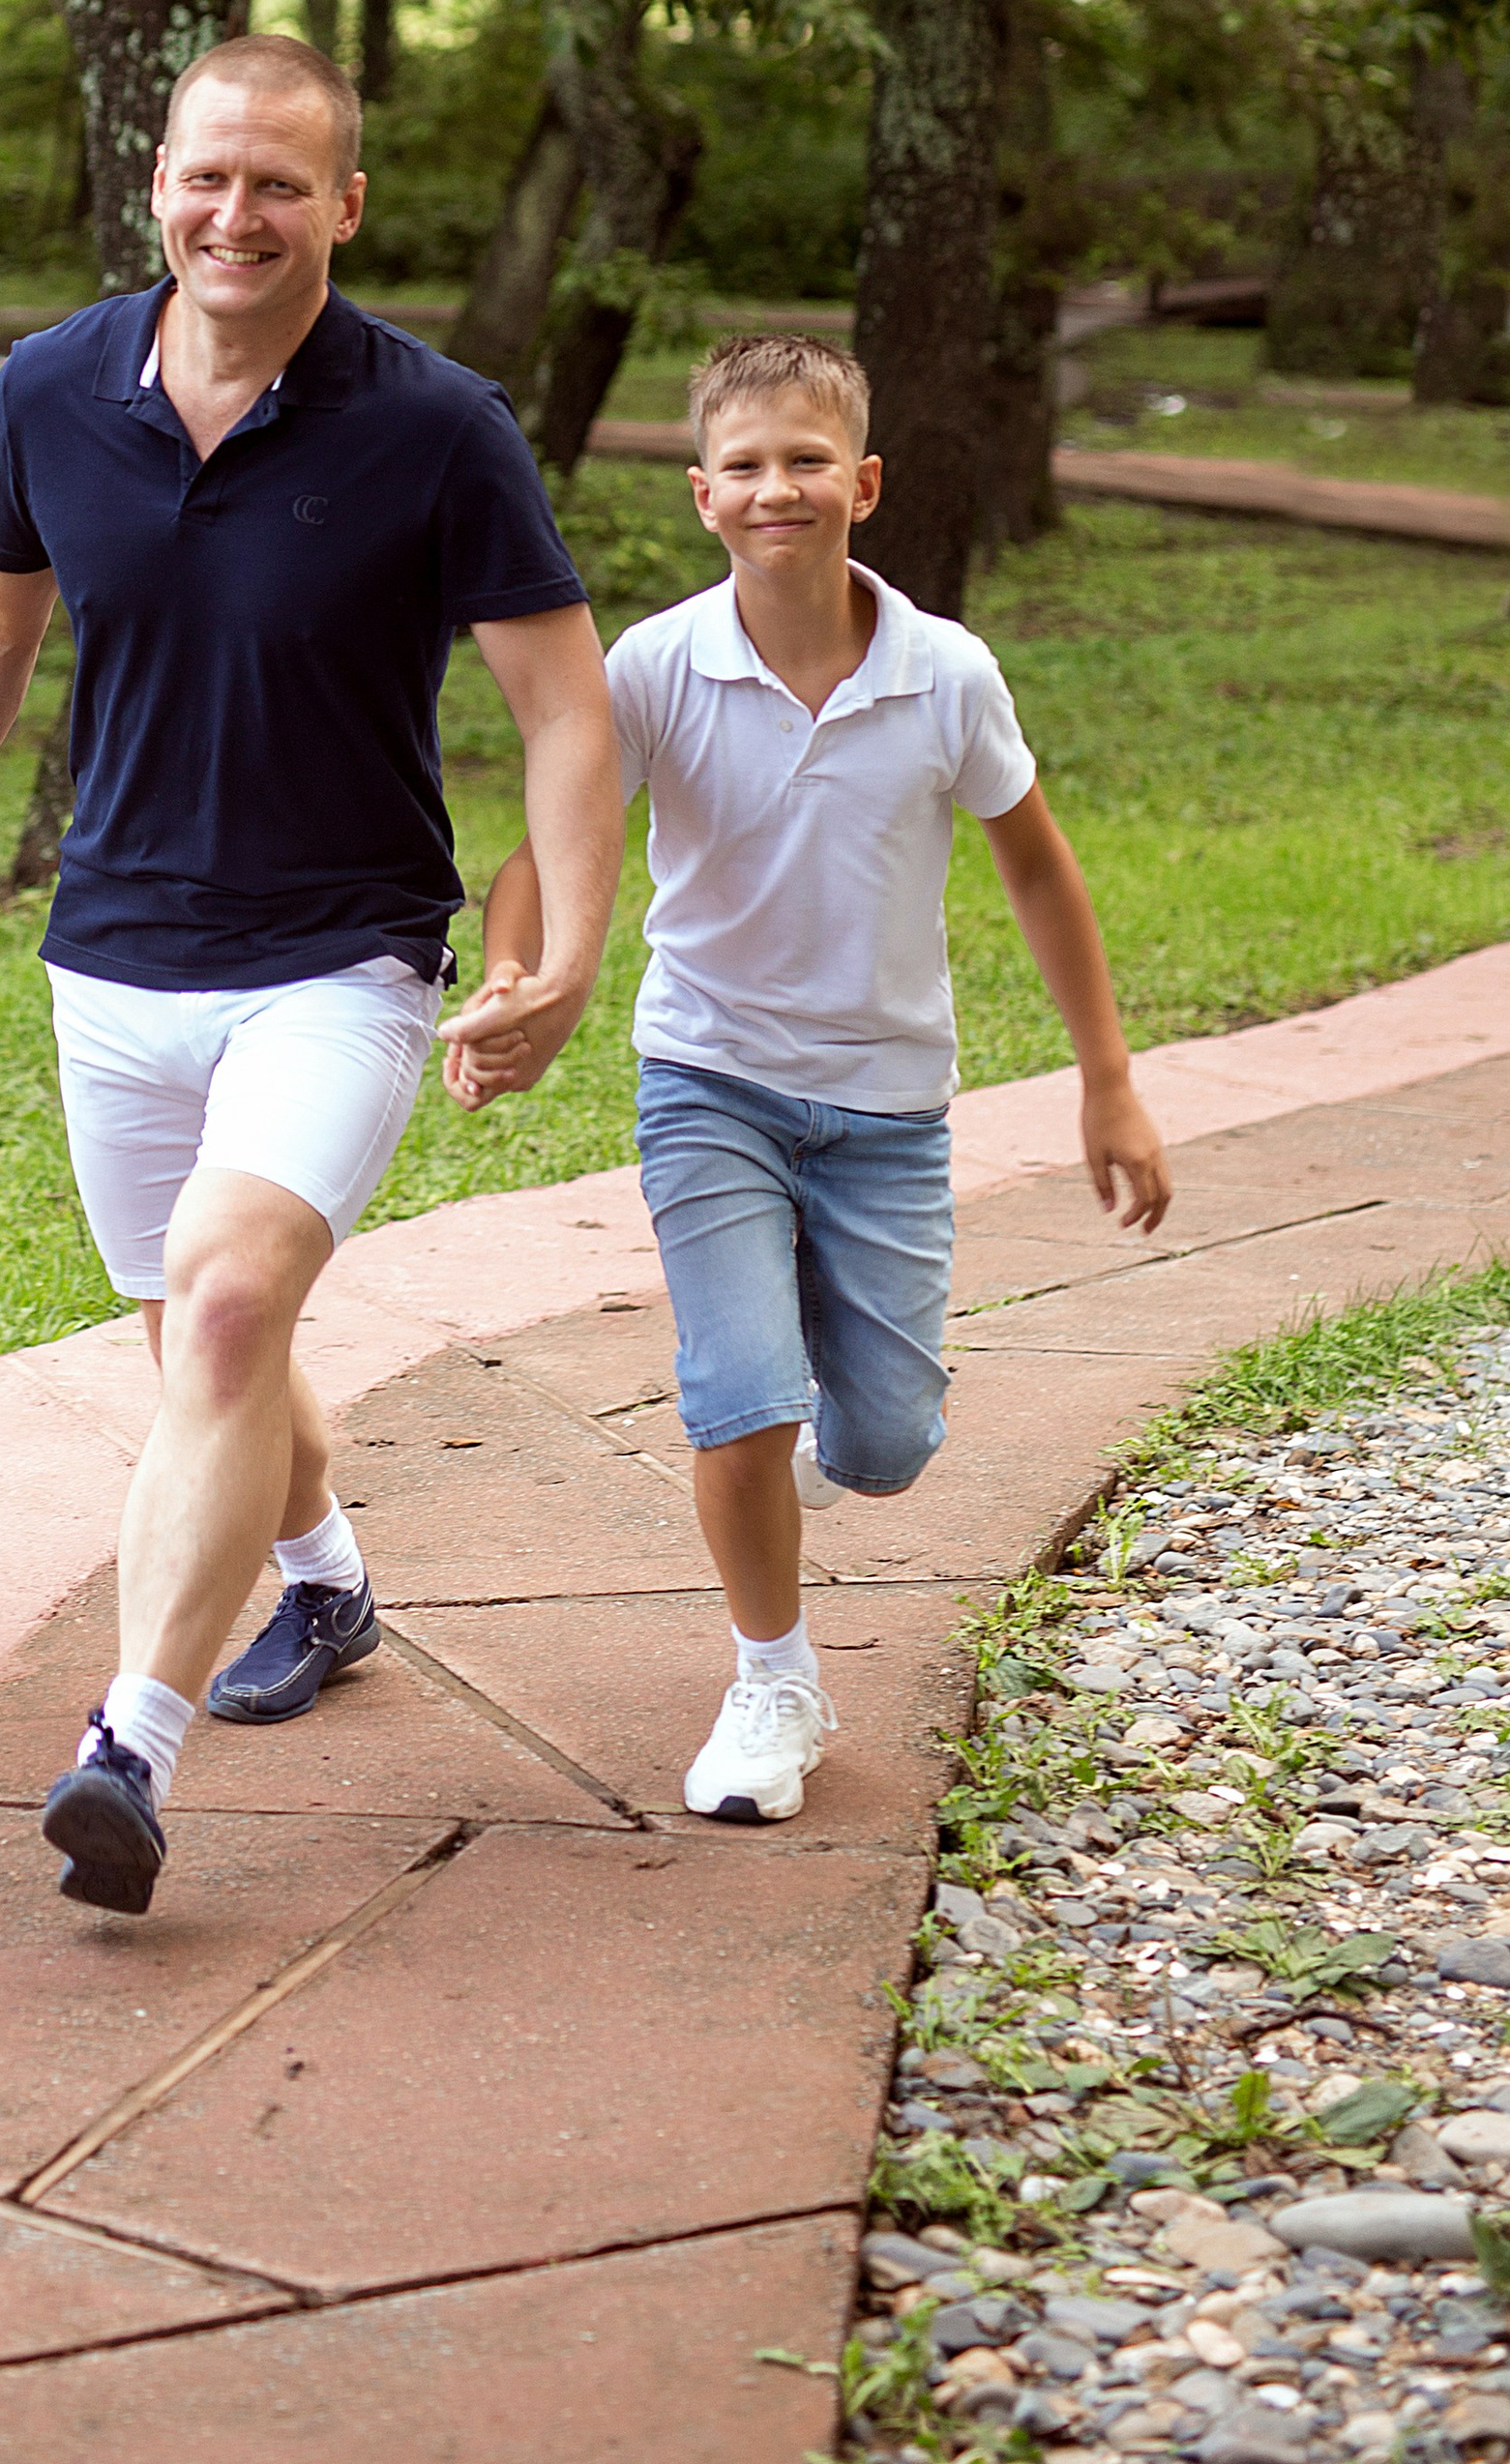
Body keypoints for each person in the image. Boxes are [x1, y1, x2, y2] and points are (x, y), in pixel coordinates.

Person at [0, 31, 623, 1915]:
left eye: (280, 182)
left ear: (341, 205)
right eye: (207, 175)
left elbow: (563, 701)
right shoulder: (48, 390)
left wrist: (572, 953)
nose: (235, 211)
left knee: (216, 1319)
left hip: (334, 958)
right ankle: (328, 1581)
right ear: (156, 186)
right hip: (109, 956)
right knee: (205, 1341)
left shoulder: (435, 425)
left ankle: (127, 1747)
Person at [449, 330, 1170, 1825]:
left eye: (808, 460)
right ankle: (775, 1680)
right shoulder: (653, 665)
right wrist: (516, 974)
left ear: (867, 481)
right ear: (703, 494)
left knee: (888, 1442)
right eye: (748, 466)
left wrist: (1108, 1079)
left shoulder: (945, 673)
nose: (780, 488)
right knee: (738, 1396)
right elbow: (546, 847)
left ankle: (827, 1437)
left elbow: (1038, 869)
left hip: (889, 1110)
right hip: (707, 1079)